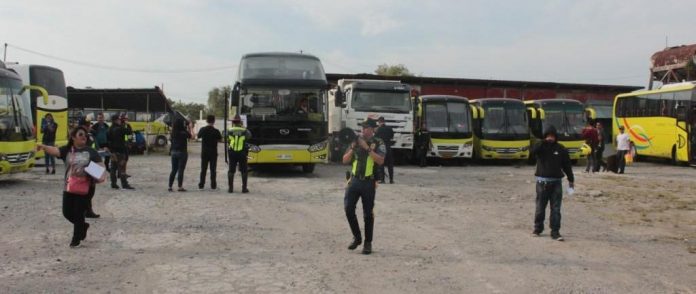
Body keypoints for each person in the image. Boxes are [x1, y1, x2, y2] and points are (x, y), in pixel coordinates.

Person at [37, 127, 106, 248]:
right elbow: (55, 150)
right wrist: (43, 146)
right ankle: (82, 226)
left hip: (86, 188)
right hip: (69, 186)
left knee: (79, 212)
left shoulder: (91, 151)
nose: (84, 136)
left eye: (85, 135)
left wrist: (98, 174)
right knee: (67, 212)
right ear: (73, 137)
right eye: (80, 134)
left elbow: (101, 168)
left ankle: (76, 239)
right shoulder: (68, 150)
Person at [342, 119, 385, 254]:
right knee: (348, 209)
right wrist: (354, 146)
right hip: (354, 181)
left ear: (373, 129)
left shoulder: (378, 142)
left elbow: (380, 160)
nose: (363, 130)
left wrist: (366, 148)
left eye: (366, 128)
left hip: (369, 182)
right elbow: (345, 160)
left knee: (368, 214)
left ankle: (368, 243)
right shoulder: (356, 141)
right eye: (362, 127)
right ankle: (357, 237)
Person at [531, 126, 574, 241]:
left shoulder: (561, 149)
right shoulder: (540, 147)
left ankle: (555, 232)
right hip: (542, 183)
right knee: (540, 207)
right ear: (545, 136)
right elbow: (532, 152)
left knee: (556, 209)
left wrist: (571, 179)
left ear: (556, 137)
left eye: (552, 136)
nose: (550, 138)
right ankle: (538, 229)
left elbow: (567, 165)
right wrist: (542, 142)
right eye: (548, 135)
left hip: (556, 184)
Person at [107, 114, 134, 190]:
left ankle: (113, 183)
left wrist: (111, 151)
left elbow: (108, 141)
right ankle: (124, 184)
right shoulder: (120, 128)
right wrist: (127, 124)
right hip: (120, 151)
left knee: (113, 168)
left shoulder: (109, 129)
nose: (120, 121)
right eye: (119, 119)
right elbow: (129, 132)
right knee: (122, 169)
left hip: (113, 152)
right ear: (116, 120)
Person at [227, 115, 252, 193]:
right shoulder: (245, 131)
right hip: (242, 152)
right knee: (244, 170)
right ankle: (244, 189)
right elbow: (249, 137)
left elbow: (225, 138)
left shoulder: (229, 130)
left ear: (233, 122)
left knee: (231, 170)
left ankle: (230, 189)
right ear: (240, 122)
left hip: (232, 152)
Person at [197, 115, 223, 190]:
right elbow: (220, 140)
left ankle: (201, 184)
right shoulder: (216, 131)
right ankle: (213, 185)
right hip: (213, 152)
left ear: (206, 121)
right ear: (214, 121)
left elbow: (198, 136)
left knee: (203, 169)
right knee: (213, 169)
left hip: (204, 152)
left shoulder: (203, 129)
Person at [168, 118, 192, 192]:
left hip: (173, 152)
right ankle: (180, 186)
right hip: (182, 152)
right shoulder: (183, 132)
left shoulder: (173, 133)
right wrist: (189, 128)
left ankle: (170, 186)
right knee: (180, 170)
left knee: (173, 170)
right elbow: (190, 136)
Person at [375, 116, 395, 184]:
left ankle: (382, 179)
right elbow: (392, 136)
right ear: (384, 121)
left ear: (379, 122)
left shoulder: (378, 130)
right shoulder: (389, 128)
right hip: (388, 147)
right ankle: (391, 180)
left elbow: (376, 138)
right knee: (390, 164)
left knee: (381, 164)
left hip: (381, 148)